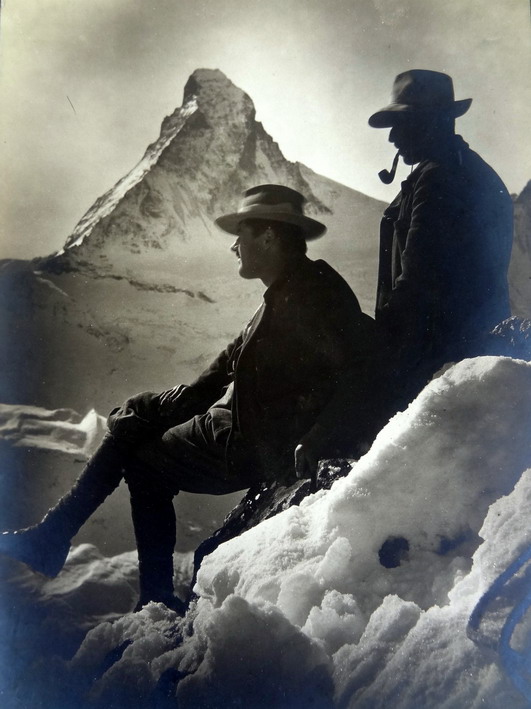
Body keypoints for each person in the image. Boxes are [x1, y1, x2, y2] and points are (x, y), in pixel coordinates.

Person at [0, 184, 377, 612]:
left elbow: (360, 371)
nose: (234, 246)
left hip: (255, 446)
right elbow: (216, 375)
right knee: (136, 431)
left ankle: (102, 565)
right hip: (237, 430)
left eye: (241, 234)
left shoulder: (314, 297)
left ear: (269, 236)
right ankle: (73, 548)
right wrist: (145, 408)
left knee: (144, 464)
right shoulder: (288, 291)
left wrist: (317, 437)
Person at [369, 70, 513, 411]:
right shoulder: (460, 170)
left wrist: (377, 343)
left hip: (440, 365)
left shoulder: (440, 179)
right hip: (463, 361)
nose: (392, 137)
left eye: (402, 123)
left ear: (432, 122)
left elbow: (418, 281)